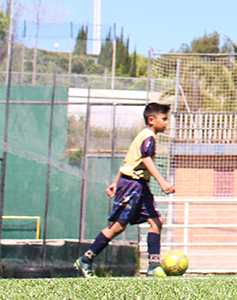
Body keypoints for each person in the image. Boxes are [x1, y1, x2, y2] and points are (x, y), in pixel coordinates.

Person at [75, 102, 175, 277]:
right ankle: (86, 259)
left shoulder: (144, 136)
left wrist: (115, 182)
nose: (167, 123)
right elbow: (146, 160)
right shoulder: (148, 136)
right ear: (151, 120)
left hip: (139, 185)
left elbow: (127, 161)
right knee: (118, 227)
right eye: (164, 119)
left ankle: (153, 267)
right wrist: (162, 182)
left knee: (156, 222)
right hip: (132, 185)